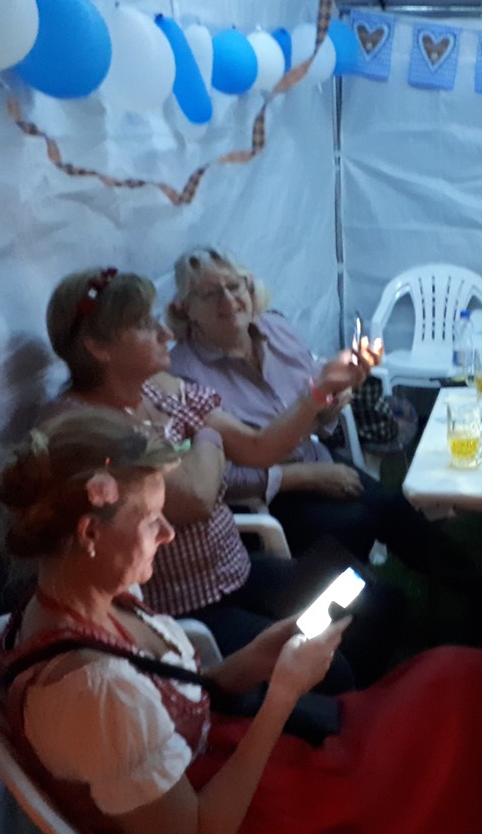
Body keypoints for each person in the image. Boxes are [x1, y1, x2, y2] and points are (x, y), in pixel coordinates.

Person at [0, 409, 482, 834]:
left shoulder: (86, 598)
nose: (168, 534)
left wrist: (254, 660)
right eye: (153, 521)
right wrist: (282, 695)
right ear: (89, 534)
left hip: (223, 763)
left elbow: (174, 692)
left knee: (450, 684)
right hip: (231, 829)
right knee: (441, 734)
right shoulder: (89, 693)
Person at [38, 266, 371, 662]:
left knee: (363, 596)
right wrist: (207, 433)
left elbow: (258, 446)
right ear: (98, 347)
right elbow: (196, 497)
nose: (166, 332)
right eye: (144, 325)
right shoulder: (82, 426)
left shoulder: (154, 388)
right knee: (332, 657)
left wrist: (322, 389)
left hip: (234, 572)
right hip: (183, 608)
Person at [166, 246, 457, 569]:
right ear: (186, 309)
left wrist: (336, 398)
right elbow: (216, 480)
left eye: (233, 286)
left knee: (396, 509)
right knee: (359, 521)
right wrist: (305, 477)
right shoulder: (182, 375)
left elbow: (316, 411)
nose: (228, 299)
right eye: (209, 294)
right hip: (264, 497)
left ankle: (472, 585)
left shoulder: (275, 329)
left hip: (314, 458)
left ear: (249, 287)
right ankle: (360, 593)